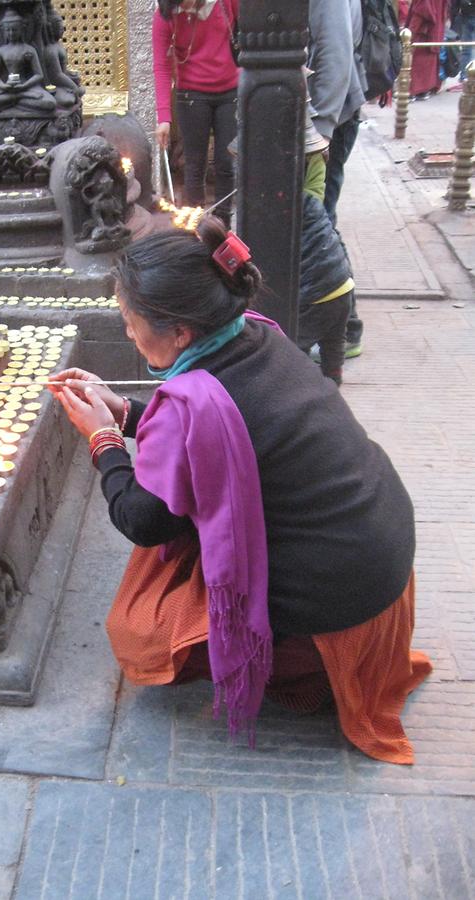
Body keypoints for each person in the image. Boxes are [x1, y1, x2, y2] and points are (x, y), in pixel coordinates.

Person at [49, 217, 432, 764]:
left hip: (343, 592)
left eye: (131, 323)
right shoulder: (256, 334)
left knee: (139, 632)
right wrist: (125, 411)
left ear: (180, 331)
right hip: (379, 551)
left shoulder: (188, 403)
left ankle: (305, 663)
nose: (129, 334)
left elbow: (145, 520)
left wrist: (103, 439)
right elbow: (220, 435)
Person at [308, 0, 366, 357]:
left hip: (327, 121)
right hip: (314, 119)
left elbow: (335, 51)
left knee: (318, 222)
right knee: (316, 220)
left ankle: (346, 328)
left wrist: (322, 132)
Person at [152, 0, 239, 225]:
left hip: (231, 91)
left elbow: (248, 28)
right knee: (193, 165)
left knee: (226, 162)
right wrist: (164, 118)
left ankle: (222, 225)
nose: (186, 8)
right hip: (191, 94)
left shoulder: (225, 3)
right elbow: (161, 66)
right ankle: (195, 224)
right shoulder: (165, 15)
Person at [298, 129, 355, 386]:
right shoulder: (312, 204)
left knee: (292, 355)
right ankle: (333, 388)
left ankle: (308, 401)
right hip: (342, 286)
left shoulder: (280, 210)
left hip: (316, 295)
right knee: (333, 355)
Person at [405, 0, 450, 98]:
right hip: (435, 30)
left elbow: (422, 11)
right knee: (428, 61)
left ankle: (416, 91)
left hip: (424, 32)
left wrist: (411, 32)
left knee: (418, 61)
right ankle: (425, 90)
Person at [450, 0, 475, 88]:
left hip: (466, 14)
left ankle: (464, 77)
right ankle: (467, 76)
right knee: (469, 49)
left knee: (467, 49)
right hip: (467, 15)